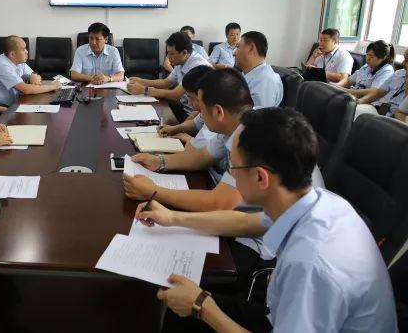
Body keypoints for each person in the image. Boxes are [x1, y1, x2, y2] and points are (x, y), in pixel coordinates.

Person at [136, 108, 396, 332]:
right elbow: (245, 223)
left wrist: (201, 306)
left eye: (233, 167)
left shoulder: (310, 263)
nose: (230, 175)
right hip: (291, 314)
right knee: (178, 310)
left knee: (183, 314)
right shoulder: (316, 201)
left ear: (261, 177)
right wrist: (172, 217)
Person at [124, 68, 253, 212]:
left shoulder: (251, 140)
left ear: (218, 111)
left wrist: (153, 191)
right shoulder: (233, 125)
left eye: (202, 109)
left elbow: (220, 203)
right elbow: (202, 157)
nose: (199, 113)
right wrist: (159, 161)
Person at [128, 32, 210, 119]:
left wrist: (144, 89)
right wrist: (141, 81)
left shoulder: (197, 66)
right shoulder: (181, 61)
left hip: (192, 115)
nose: (168, 57)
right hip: (182, 107)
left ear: (184, 52)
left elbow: (175, 95)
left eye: (172, 53)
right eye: (168, 53)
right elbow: (166, 82)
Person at [0, 35, 60, 106]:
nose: (27, 52)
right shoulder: (2, 66)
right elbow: (26, 89)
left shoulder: (18, 60)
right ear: (12, 54)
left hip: (14, 103)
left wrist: (33, 76)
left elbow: (33, 74)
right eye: (23, 49)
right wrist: (52, 87)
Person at [352, 48, 407, 119]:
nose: (402, 63)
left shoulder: (387, 70)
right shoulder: (398, 73)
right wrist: (359, 102)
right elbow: (378, 93)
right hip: (377, 108)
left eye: (407, 60)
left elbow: (403, 110)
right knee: (351, 110)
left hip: (392, 117)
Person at [233, 31, 283, 107]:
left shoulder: (266, 81)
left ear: (251, 48)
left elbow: (255, 114)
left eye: (238, 47)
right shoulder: (249, 75)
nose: (234, 53)